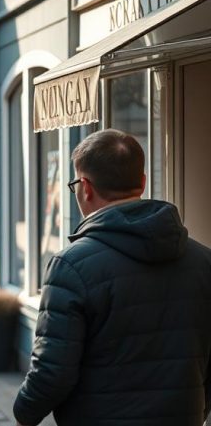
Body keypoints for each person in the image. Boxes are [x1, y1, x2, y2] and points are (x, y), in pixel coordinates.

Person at [13, 129, 211, 426]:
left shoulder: (71, 266)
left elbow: (53, 372)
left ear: (85, 187)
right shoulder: (203, 260)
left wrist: (23, 413)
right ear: (142, 182)